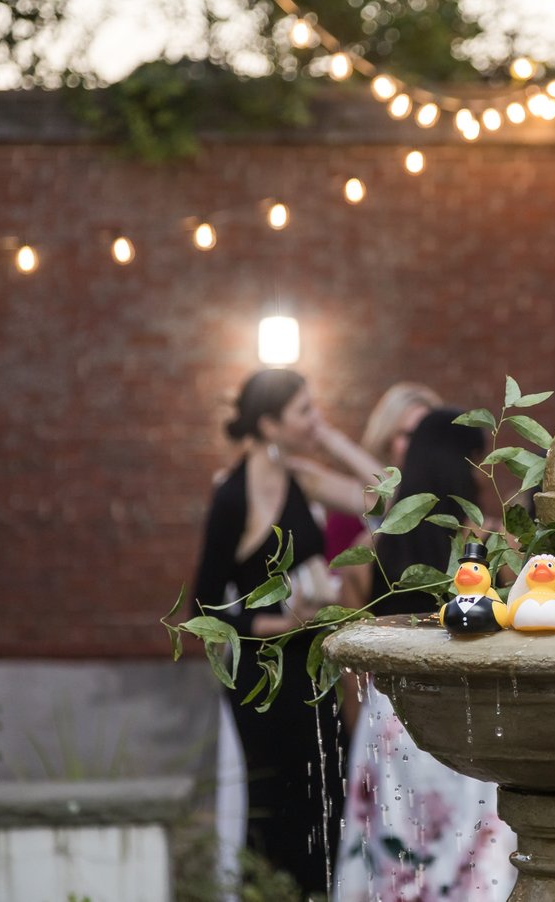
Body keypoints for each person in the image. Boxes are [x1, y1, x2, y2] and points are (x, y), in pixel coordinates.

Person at [190, 368, 380, 896]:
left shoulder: (302, 475)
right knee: (279, 803)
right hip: (262, 675)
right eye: (304, 412)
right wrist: (282, 622)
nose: (315, 419)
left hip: (314, 665)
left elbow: (392, 502)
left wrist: (330, 439)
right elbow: (202, 607)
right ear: (270, 424)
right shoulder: (232, 498)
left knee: (328, 790)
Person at [335, 407, 515, 901]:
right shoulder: (487, 546)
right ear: (465, 464)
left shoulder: (370, 547)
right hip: (464, 719)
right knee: (469, 864)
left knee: (394, 865)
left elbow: (353, 667)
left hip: (390, 721)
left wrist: (363, 736)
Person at [322, 381, 442, 564]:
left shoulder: (446, 507)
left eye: (426, 436)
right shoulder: (350, 516)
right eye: (408, 435)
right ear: (386, 440)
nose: (418, 445)